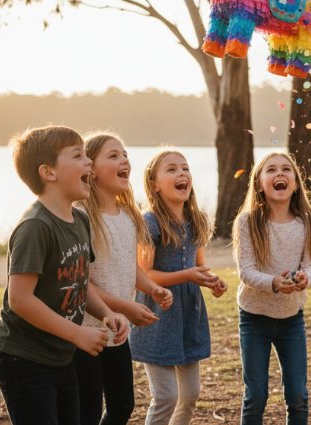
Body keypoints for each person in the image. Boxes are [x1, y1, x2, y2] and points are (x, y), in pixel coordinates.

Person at [0, 125, 130, 425]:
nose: (89, 162)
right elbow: (20, 300)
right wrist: (78, 333)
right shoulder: (35, 227)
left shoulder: (79, 219)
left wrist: (106, 313)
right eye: (78, 156)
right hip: (22, 356)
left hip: (60, 353)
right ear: (48, 172)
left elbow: (80, 281)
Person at [73, 133, 174, 425]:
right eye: (113, 155)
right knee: (87, 412)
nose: (124, 160)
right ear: (91, 168)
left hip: (118, 333)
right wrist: (126, 308)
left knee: (122, 407)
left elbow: (129, 268)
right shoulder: (81, 217)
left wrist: (153, 288)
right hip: (86, 331)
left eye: (125, 154)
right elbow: (82, 283)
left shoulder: (130, 216)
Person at [130, 149, 227, 425]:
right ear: (154, 185)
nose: (181, 173)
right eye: (171, 169)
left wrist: (212, 282)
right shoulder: (150, 223)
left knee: (190, 395)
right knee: (165, 396)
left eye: (185, 168)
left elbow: (200, 268)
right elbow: (145, 274)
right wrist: (188, 275)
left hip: (188, 316)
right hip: (158, 316)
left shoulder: (197, 221)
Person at [232, 152, 311, 425]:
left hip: (291, 319)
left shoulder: (307, 223)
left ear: (296, 183)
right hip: (254, 318)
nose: (280, 174)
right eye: (271, 170)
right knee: (256, 395)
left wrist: (304, 279)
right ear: (259, 184)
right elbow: (246, 272)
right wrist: (274, 282)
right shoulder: (248, 222)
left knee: (297, 394)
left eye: (287, 169)